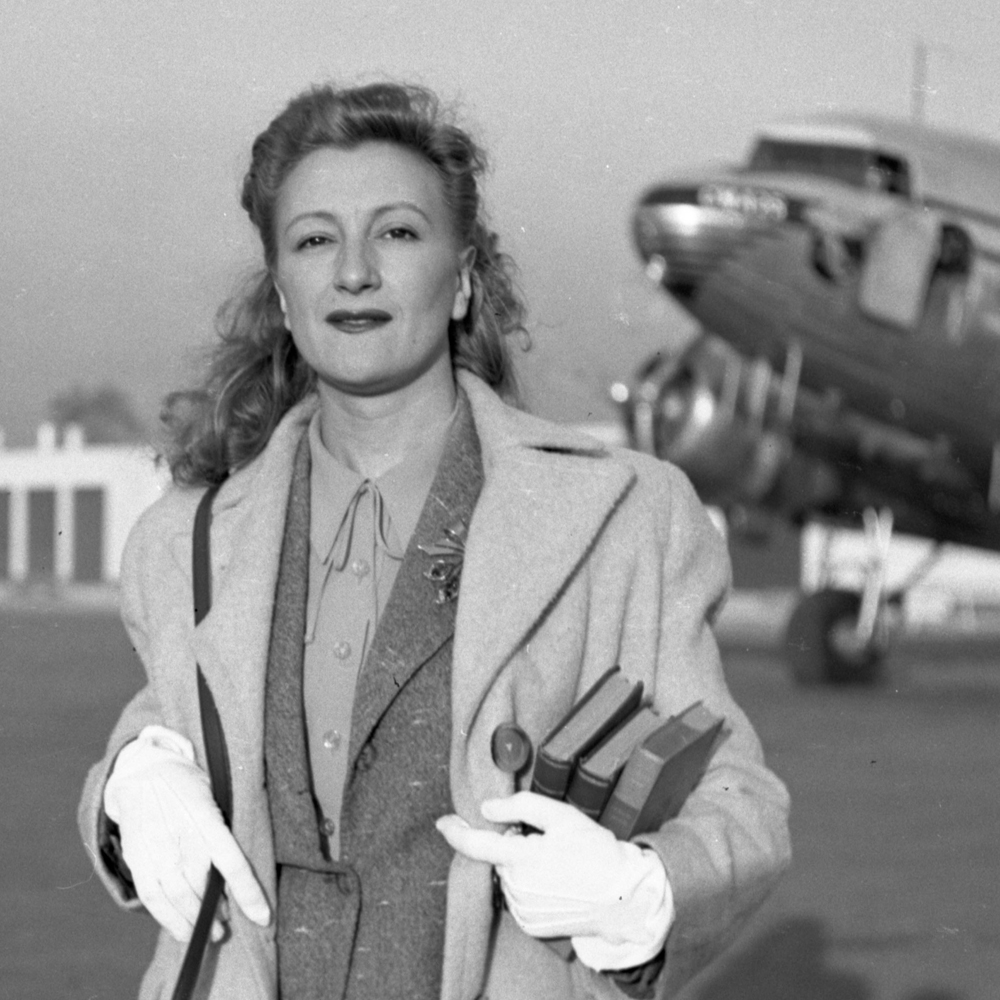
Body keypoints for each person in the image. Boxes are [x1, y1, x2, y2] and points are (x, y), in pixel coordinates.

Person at [78, 80, 790, 1000]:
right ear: (285, 296)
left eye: (398, 232)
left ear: (461, 282)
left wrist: (647, 892)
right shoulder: (186, 543)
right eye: (314, 239)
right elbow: (172, 728)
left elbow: (741, 802)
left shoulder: (625, 519)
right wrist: (120, 791)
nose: (355, 271)